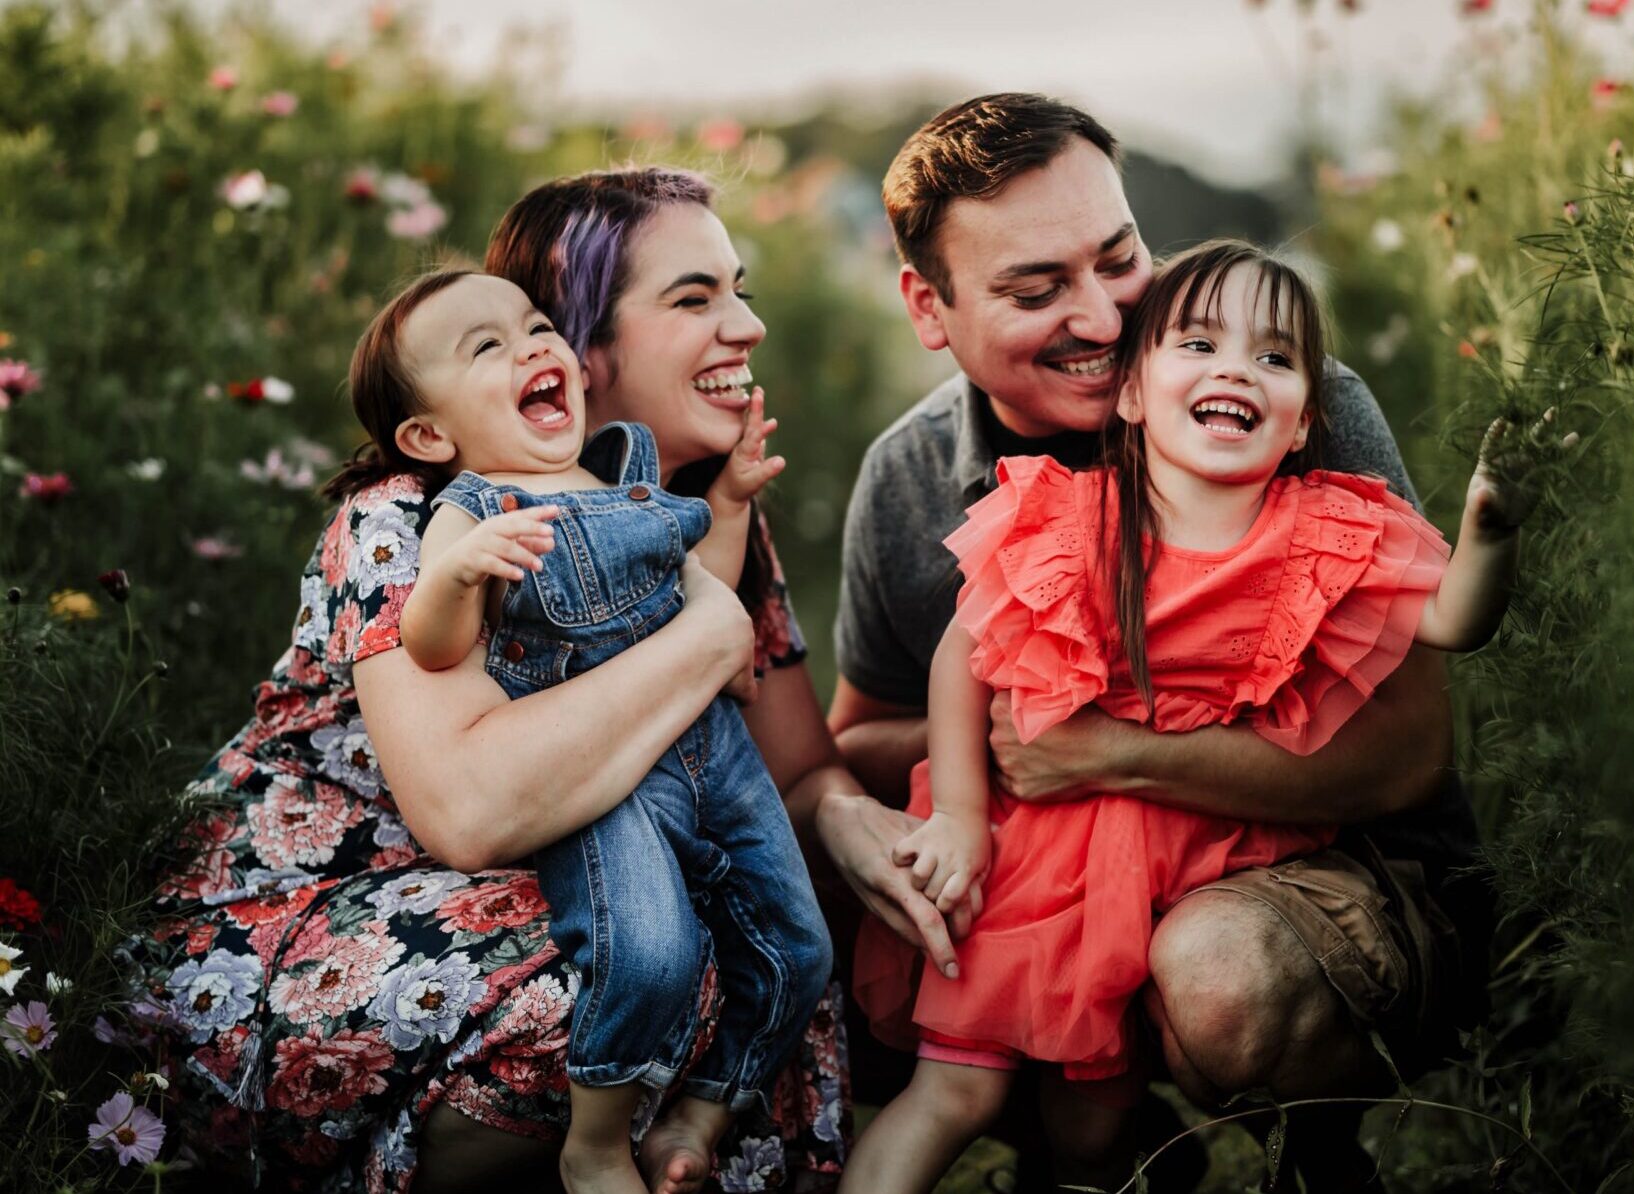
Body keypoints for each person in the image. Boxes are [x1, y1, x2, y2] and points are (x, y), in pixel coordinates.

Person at [125, 168, 858, 1194]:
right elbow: (471, 812)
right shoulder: (411, 521)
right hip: (324, 912)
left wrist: (856, 821)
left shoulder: (688, 508)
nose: (747, 326)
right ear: (585, 337)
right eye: (694, 299)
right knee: (648, 953)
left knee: (780, 933)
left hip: (558, 863)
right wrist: (703, 638)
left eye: (739, 288)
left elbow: (794, 768)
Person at [827, 93, 1496, 1192]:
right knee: (797, 863)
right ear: (927, 306)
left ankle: (1320, 1149)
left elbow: (1407, 755)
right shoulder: (907, 481)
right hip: (1051, 878)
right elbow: (860, 740)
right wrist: (969, 777)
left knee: (1216, 978)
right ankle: (1080, 1153)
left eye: (1117, 256)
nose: (1099, 317)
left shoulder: (1287, 399)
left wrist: (1110, 752)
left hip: (1321, 871)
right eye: (1034, 290)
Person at [380, 266, 832, 1194]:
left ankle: (703, 1113)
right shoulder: (470, 511)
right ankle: (595, 1143)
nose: (534, 348)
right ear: (432, 434)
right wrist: (455, 579)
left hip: (716, 751)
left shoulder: (629, 470)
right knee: (648, 947)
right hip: (611, 778)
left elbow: (699, 589)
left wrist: (734, 503)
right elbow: (432, 648)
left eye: (538, 326)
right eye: (489, 347)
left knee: (800, 943)